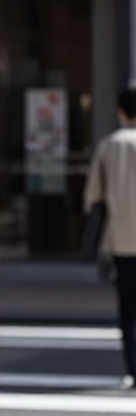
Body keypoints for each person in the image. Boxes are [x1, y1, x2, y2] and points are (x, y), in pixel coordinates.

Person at [85, 87, 136, 387]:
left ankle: (133, 369)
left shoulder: (109, 146)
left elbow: (92, 196)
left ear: (120, 111)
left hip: (121, 241)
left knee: (127, 310)